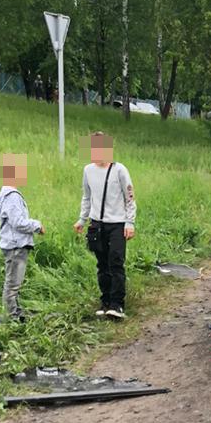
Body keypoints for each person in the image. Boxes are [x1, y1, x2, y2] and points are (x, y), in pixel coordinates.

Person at [74, 132, 136, 319]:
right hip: (97, 225)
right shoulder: (88, 170)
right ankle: (105, 301)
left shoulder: (120, 170)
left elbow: (130, 197)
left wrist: (130, 222)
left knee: (116, 262)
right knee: (102, 265)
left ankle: (117, 304)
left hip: (117, 224)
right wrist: (81, 220)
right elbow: (86, 197)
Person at [0, 153, 44, 323]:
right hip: (16, 246)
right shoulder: (12, 196)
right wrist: (37, 225)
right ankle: (11, 316)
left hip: (14, 245)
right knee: (13, 283)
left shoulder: (6, 194)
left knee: (14, 281)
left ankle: (15, 312)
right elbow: (18, 222)